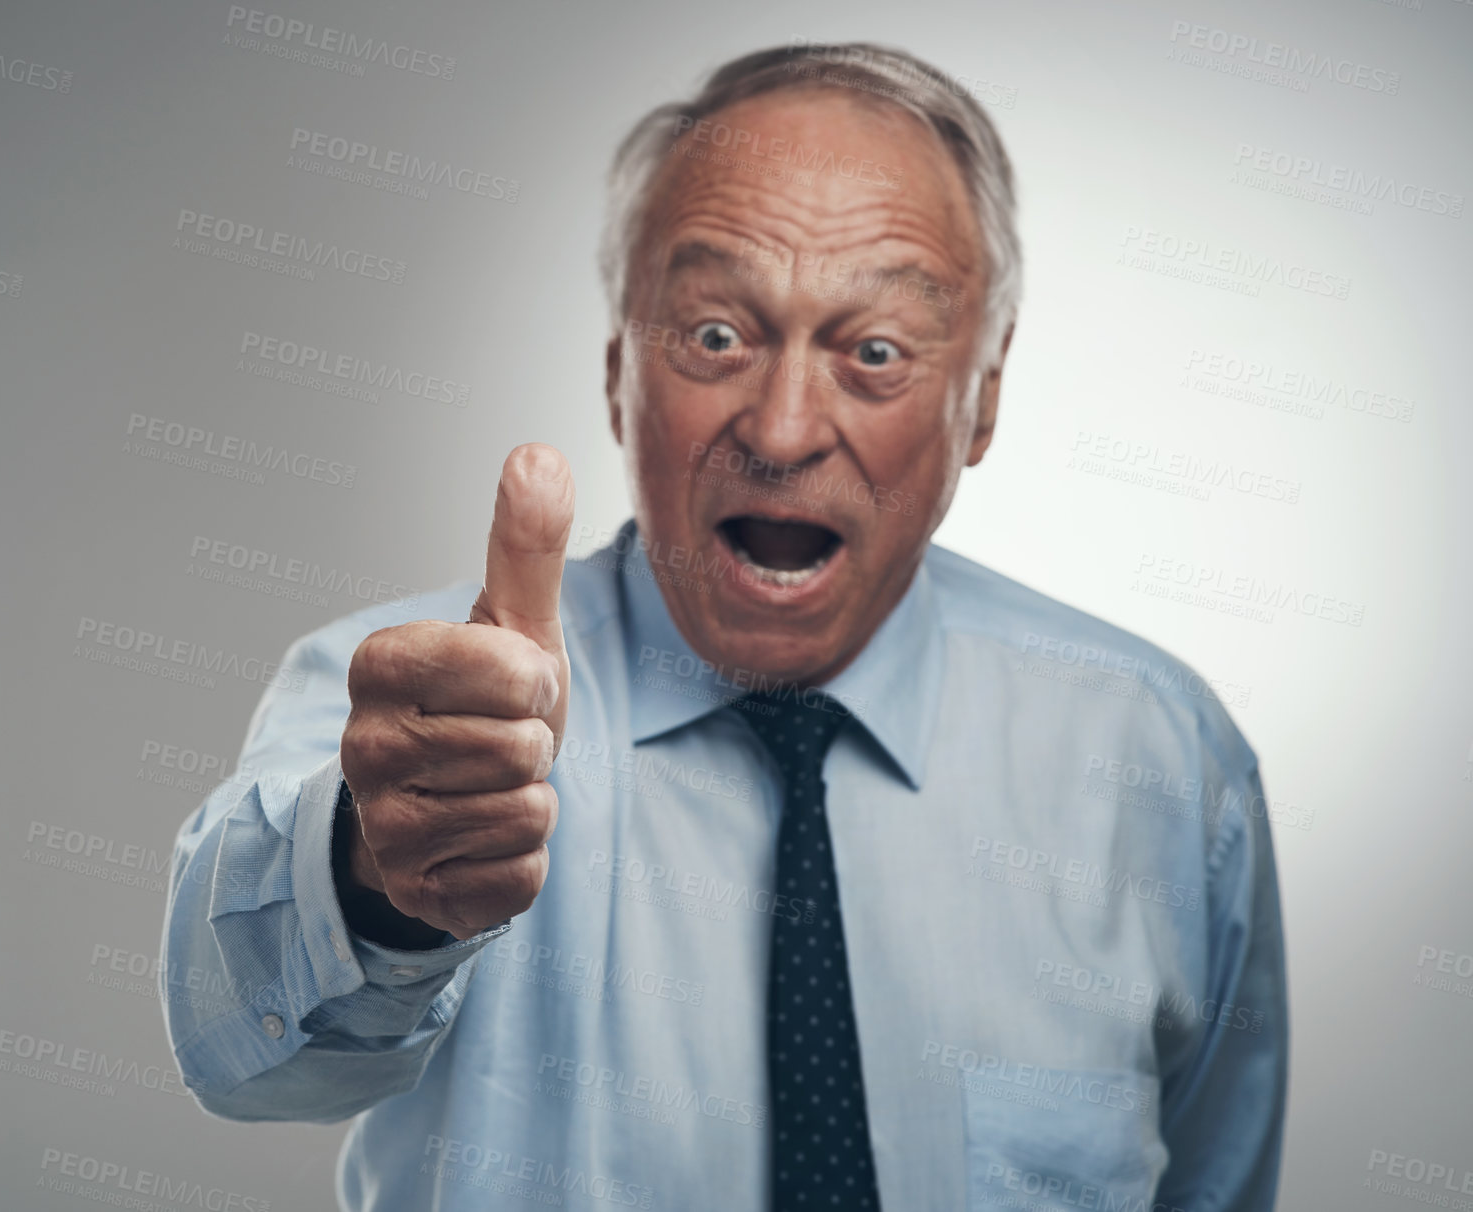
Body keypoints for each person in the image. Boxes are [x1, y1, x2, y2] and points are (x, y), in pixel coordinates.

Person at [161, 41, 1287, 1211]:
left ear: (982, 403)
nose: (786, 428)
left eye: (876, 352)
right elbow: (235, 1047)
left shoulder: (1161, 756)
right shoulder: (423, 701)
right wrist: (380, 875)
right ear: (616, 375)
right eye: (713, 336)